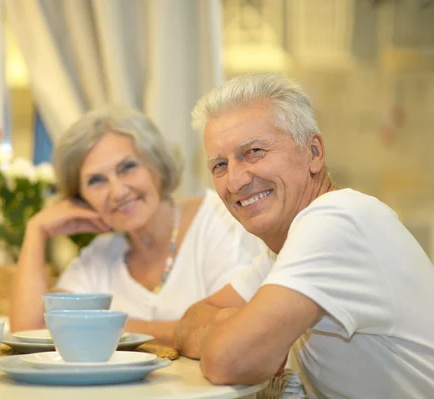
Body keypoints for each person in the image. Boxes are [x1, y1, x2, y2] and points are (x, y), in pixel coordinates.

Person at [174, 73, 434, 398]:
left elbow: (230, 361)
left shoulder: (337, 221)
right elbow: (189, 321)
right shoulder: (283, 247)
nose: (236, 181)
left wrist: (239, 334)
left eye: (254, 151)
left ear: (313, 152)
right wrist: (231, 321)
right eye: (220, 165)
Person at [10, 105, 264, 346]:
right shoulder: (101, 255)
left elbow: (233, 330)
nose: (118, 191)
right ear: (80, 199)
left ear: (157, 165)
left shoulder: (221, 221)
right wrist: (36, 230)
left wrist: (104, 326)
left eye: (128, 167)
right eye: (96, 181)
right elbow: (29, 332)